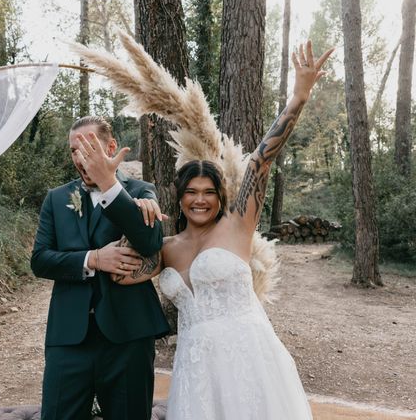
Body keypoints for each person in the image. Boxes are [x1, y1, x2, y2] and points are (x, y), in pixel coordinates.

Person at [115, 41, 333, 419]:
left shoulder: (238, 224)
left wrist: (298, 97)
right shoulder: (165, 247)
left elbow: (261, 161)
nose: (200, 201)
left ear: (221, 197)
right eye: (191, 193)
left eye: (208, 193)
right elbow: (124, 274)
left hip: (248, 357)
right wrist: (124, 205)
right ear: (179, 198)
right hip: (195, 368)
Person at [31, 116, 170, 420]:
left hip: (129, 336)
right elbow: (40, 259)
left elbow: (150, 242)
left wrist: (110, 186)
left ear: (111, 147)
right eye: (73, 151)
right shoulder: (56, 199)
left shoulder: (142, 192)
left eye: (89, 148)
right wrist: (93, 259)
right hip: (68, 336)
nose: (80, 158)